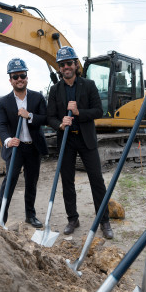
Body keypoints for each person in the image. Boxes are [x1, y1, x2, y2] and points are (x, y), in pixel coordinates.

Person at [47, 46, 113, 239]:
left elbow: (98, 111)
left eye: (69, 63)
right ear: (59, 68)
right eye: (62, 64)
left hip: (86, 139)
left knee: (97, 180)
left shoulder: (89, 85)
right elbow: (50, 117)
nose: (66, 66)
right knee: (67, 181)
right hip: (66, 140)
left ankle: (104, 220)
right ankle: (72, 219)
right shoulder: (55, 90)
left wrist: (78, 113)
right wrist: (60, 124)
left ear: (76, 65)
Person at [0, 58, 48, 228]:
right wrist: (8, 140)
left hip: (33, 147)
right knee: (9, 182)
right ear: (10, 79)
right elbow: (1, 125)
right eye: (15, 76)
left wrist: (30, 116)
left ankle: (30, 215)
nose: (19, 79)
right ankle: (1, 217)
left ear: (27, 77)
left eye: (22, 75)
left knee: (31, 182)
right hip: (15, 148)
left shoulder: (37, 97)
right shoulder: (4, 102)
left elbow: (45, 118)